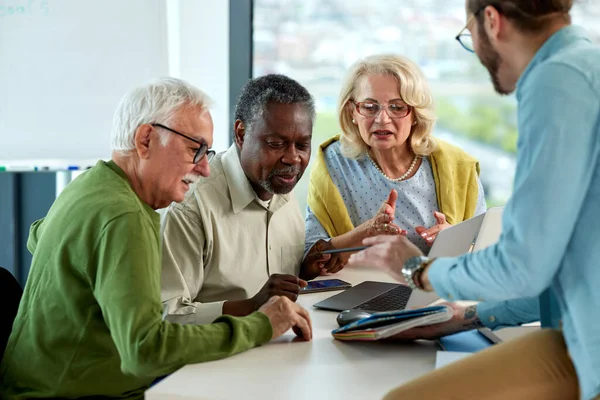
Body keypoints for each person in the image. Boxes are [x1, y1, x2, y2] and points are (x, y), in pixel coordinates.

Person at [0, 77, 312, 400]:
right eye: (195, 149)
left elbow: (37, 236)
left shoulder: (90, 185)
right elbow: (144, 352)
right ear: (146, 140)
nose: (205, 169)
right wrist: (260, 326)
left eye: (208, 152)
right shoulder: (126, 217)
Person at [348, 1, 600, 399]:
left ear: (491, 20)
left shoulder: (556, 79)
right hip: (574, 334)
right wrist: (465, 316)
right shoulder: (585, 64)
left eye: (469, 36)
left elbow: (522, 264)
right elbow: (561, 267)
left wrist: (417, 269)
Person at [161, 74, 330, 325]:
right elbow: (167, 315)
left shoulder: (281, 186)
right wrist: (251, 307)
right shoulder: (190, 205)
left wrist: (304, 270)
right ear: (241, 133)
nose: (293, 158)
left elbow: (271, 283)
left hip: (280, 347)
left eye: (302, 145)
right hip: (217, 358)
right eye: (276, 143)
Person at [304, 53, 486, 273]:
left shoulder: (458, 166)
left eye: (397, 107)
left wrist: (455, 242)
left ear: (416, 114)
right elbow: (309, 260)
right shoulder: (332, 163)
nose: (382, 119)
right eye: (370, 107)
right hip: (353, 298)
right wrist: (364, 234)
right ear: (353, 111)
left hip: (434, 294)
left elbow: (485, 257)